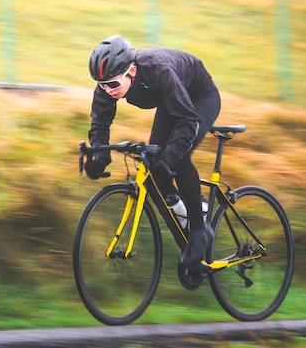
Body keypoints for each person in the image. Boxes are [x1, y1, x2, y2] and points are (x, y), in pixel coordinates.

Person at [84, 34, 221, 271]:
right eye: (101, 85)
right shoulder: (108, 84)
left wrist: (169, 158)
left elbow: (187, 121)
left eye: (113, 85)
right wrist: (99, 157)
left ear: (132, 72)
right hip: (172, 100)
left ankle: (200, 231)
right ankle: (187, 210)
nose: (107, 91)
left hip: (199, 96)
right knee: (155, 165)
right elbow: (100, 123)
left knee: (176, 158)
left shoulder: (158, 69)